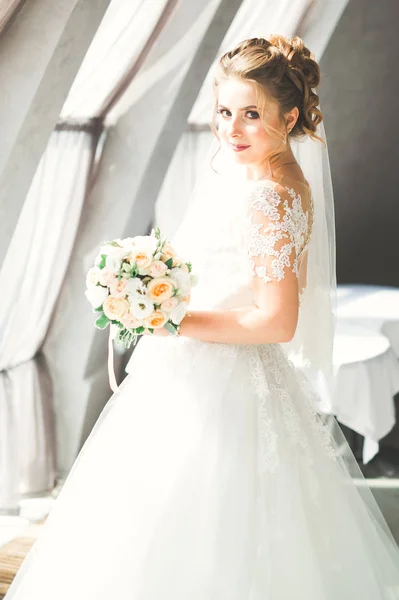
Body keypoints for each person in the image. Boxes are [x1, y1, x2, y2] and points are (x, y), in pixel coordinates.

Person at [5, 35, 399, 600]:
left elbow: (275, 321)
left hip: (222, 384)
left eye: (251, 115)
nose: (232, 129)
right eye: (223, 111)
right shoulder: (273, 179)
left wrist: (167, 317)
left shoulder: (271, 195)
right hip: (209, 374)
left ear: (289, 116)